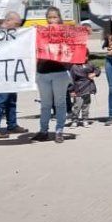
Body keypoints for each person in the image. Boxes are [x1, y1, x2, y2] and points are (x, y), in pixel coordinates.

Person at [34, 7, 74, 143]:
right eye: (49, 17)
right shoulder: (41, 33)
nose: (52, 20)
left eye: (54, 17)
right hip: (43, 72)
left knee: (60, 103)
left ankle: (59, 131)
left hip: (59, 72)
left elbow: (75, 47)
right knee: (45, 104)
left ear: (59, 18)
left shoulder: (65, 33)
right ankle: (43, 131)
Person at [0, 11, 28, 138]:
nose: (18, 27)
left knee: (11, 100)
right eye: (16, 24)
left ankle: (12, 125)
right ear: (8, 21)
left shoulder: (14, 33)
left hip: (11, 71)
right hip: (0, 73)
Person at [67, 60, 100, 127]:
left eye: (86, 56)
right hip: (78, 89)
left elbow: (97, 69)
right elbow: (71, 79)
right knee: (77, 106)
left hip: (88, 88)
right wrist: (71, 90)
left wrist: (95, 73)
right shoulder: (74, 67)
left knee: (86, 105)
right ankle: (74, 120)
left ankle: (85, 119)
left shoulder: (89, 64)